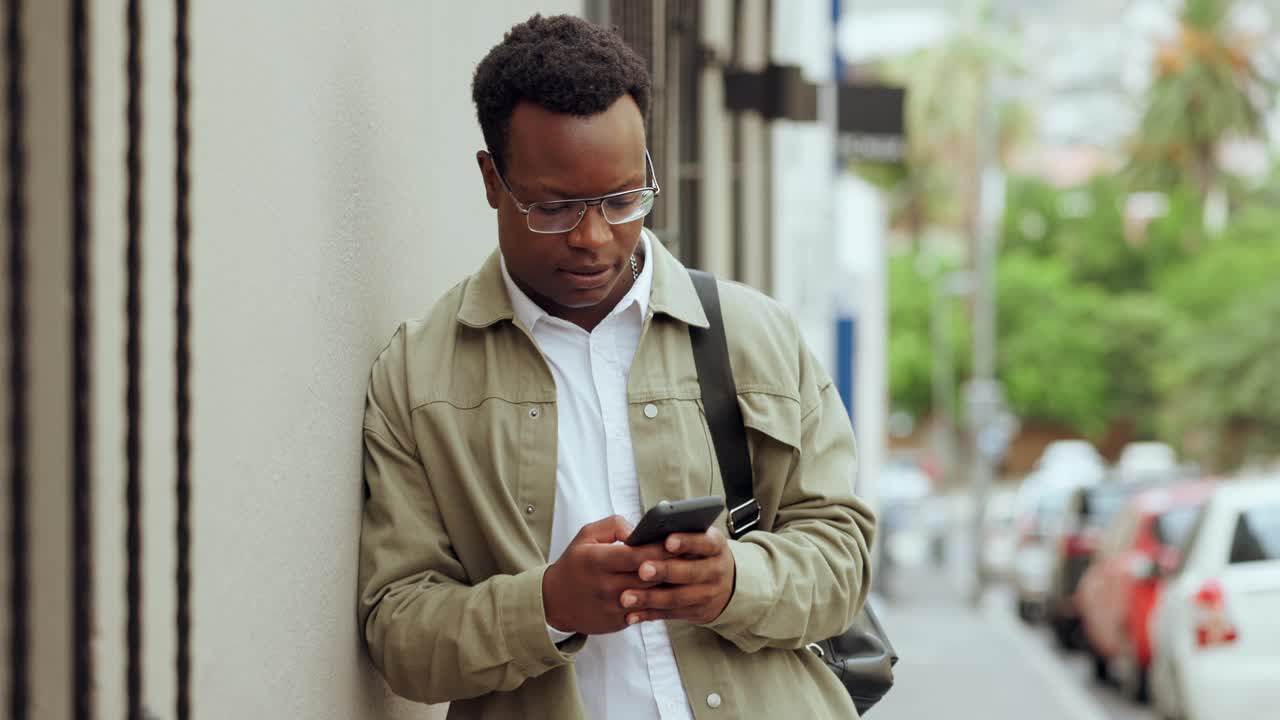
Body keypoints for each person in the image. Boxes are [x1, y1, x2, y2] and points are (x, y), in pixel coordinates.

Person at [357, 14, 875, 720]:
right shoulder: (421, 376)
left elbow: (843, 560)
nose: (593, 238)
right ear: (491, 179)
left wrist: (734, 581)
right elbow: (399, 633)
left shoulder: (756, 334)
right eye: (555, 207)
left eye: (623, 199)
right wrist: (546, 606)